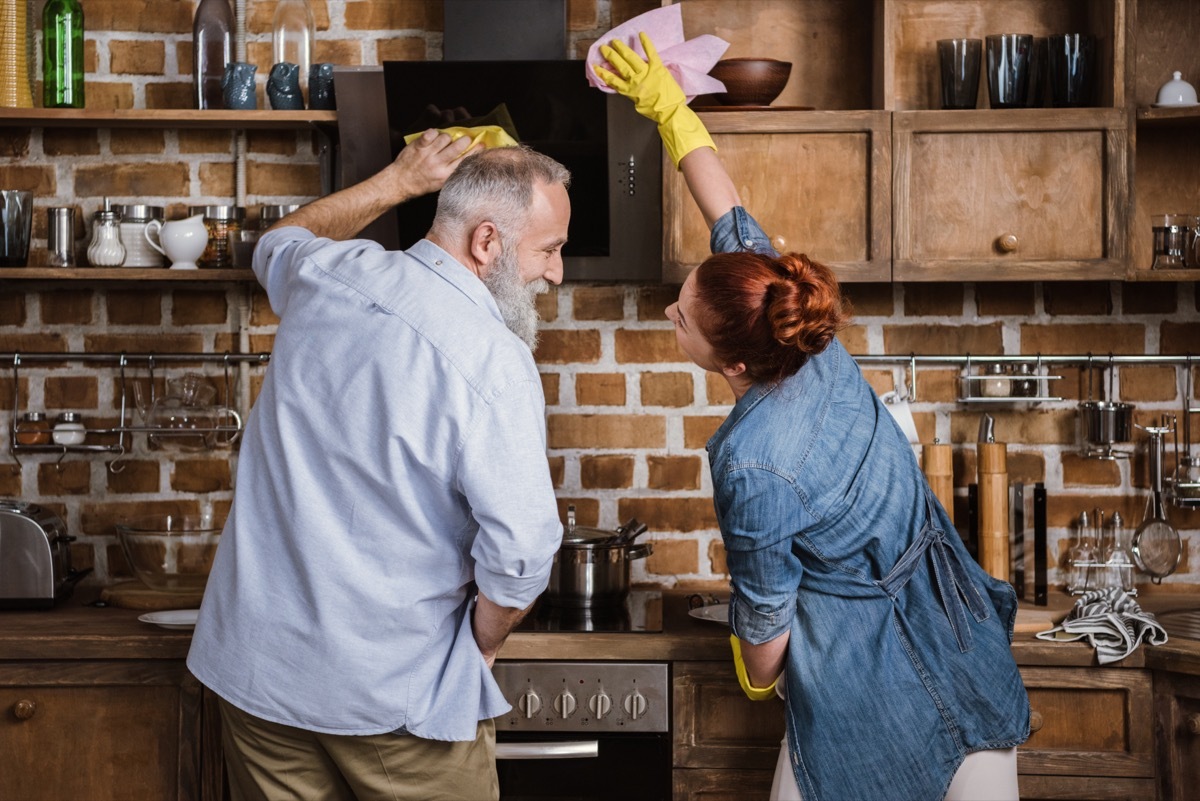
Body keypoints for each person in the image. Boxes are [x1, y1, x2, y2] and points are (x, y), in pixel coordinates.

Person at [596, 34, 1030, 801]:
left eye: (683, 318)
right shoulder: (797, 324)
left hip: (868, 698)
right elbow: (722, 202)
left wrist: (753, 662)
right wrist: (670, 110)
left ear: (733, 363)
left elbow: (764, 651)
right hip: (964, 647)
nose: (671, 311)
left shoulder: (750, 458)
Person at [186, 130, 571, 801]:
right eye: (550, 249)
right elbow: (522, 554)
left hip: (258, 675)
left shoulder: (329, 275)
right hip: (398, 699)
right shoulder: (492, 358)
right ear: (487, 243)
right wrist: (480, 646)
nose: (555, 272)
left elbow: (276, 242)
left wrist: (399, 178)